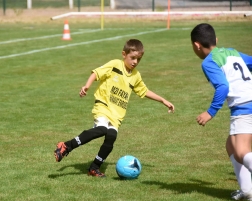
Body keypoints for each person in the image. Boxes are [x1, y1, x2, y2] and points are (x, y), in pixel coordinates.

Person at [54, 39, 175, 177]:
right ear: (124, 54)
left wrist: (163, 100)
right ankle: (66, 146)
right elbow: (96, 73)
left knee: (111, 136)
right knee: (101, 129)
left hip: (117, 114)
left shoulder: (135, 75)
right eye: (132, 58)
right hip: (103, 105)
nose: (135, 62)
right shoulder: (115, 65)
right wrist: (87, 85)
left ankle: (94, 167)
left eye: (138, 59)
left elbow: (144, 91)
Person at [190, 23, 252, 200]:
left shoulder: (209, 62)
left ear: (196, 45)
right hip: (247, 104)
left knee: (241, 151)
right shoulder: (231, 52)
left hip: (244, 106)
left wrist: (210, 112)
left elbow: (223, 87)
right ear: (216, 40)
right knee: (231, 145)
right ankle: (247, 192)